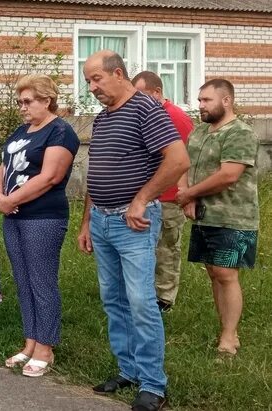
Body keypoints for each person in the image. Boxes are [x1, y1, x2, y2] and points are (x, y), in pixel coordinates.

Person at [77, 50, 189, 411]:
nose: (91, 87)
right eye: (88, 81)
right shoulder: (103, 119)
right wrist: (86, 222)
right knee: (114, 300)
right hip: (103, 220)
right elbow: (97, 172)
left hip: (133, 221)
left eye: (96, 78)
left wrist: (141, 200)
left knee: (141, 301)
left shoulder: (145, 108)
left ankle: (154, 385)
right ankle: (129, 369)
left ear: (119, 73)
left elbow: (178, 160)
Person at [0, 75, 79, 377]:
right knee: (23, 280)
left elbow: (51, 176)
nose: (22, 107)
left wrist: (9, 198)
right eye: (19, 102)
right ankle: (30, 342)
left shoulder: (60, 131)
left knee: (42, 281)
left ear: (47, 99)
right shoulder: (22, 131)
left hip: (43, 217)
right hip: (14, 215)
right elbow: (3, 166)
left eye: (28, 101)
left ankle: (46, 347)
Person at [176, 79, 259, 357]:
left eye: (207, 100)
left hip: (233, 215)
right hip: (205, 215)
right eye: (200, 100)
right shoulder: (199, 132)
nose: (200, 105)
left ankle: (228, 337)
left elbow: (228, 175)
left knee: (226, 273)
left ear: (226, 101)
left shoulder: (240, 133)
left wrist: (188, 195)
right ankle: (226, 328)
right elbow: (184, 164)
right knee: (213, 272)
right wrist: (185, 192)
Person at [131, 71, 195, 313]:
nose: (135, 100)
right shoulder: (145, 114)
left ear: (156, 93)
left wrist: (185, 192)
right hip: (146, 196)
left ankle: (165, 298)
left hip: (169, 197)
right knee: (146, 248)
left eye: (140, 94)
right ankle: (146, 293)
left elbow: (185, 158)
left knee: (166, 248)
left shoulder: (175, 117)